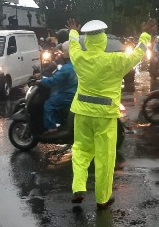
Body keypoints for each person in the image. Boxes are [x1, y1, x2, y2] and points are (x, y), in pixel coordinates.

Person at [66, 18, 153, 209]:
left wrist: (73, 31)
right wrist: (145, 34)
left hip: (81, 112)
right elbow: (139, 53)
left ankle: (79, 187)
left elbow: (73, 45)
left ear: (87, 41)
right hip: (105, 116)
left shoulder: (79, 58)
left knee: (80, 150)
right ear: (104, 41)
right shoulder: (115, 61)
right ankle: (102, 199)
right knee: (105, 157)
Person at [38, 41, 77, 135]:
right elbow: (54, 71)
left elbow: (55, 80)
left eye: (62, 52)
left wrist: (41, 81)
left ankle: (52, 128)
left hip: (67, 95)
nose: (61, 54)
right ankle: (60, 122)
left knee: (49, 104)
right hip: (74, 93)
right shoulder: (76, 65)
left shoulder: (67, 68)